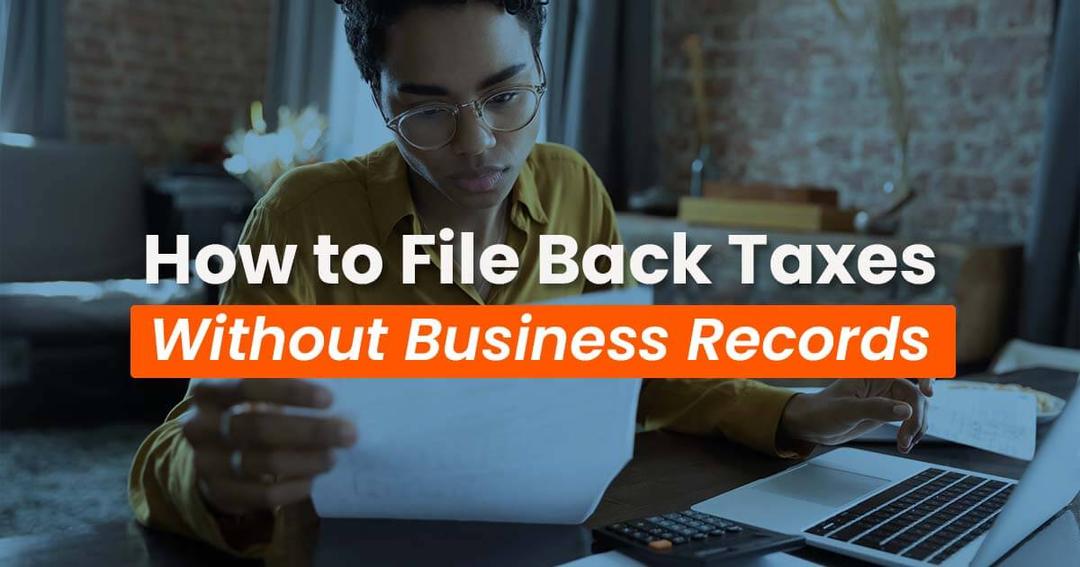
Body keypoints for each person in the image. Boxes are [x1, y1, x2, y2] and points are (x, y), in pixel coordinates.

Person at [129, 0, 932, 557]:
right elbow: (177, 446)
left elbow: (640, 372)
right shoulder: (301, 217)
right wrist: (221, 479)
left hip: (559, 544)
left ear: (543, 71)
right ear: (378, 104)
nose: (478, 143)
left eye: (506, 94)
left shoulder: (573, 187)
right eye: (428, 110)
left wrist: (796, 410)